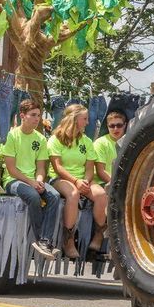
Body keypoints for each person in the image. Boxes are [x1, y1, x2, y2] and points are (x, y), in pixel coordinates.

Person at [2, 99, 61, 260]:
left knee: (54, 196)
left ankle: (45, 240)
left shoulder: (41, 138)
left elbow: (41, 167)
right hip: (13, 180)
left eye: (39, 115)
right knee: (34, 197)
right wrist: (32, 183)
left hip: (34, 180)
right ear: (22, 116)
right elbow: (11, 169)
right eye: (33, 115)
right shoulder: (12, 135)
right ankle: (40, 238)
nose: (37, 119)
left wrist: (40, 180)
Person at [48, 104, 107, 259]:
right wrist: (76, 181)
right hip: (60, 179)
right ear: (74, 120)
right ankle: (68, 240)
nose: (88, 122)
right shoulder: (55, 139)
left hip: (82, 179)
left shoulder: (86, 141)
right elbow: (58, 167)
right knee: (73, 194)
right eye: (85, 119)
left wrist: (86, 181)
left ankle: (99, 235)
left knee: (101, 194)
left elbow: (89, 168)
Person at [93, 110, 127, 187]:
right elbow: (101, 172)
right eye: (112, 126)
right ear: (107, 126)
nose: (115, 129)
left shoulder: (129, 142)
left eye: (119, 125)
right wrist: (118, 186)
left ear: (125, 125)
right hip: (104, 183)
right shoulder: (100, 143)